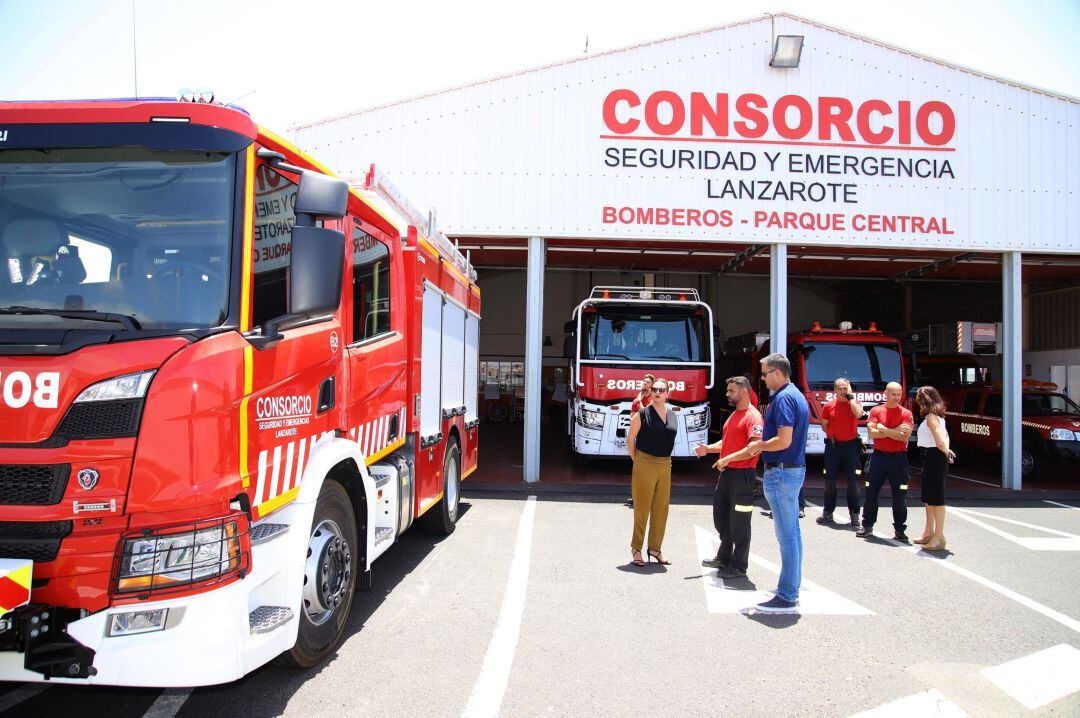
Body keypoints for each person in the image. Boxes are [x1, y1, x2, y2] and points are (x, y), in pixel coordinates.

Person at [746, 353, 808, 613]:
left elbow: (783, 440)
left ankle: (787, 594)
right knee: (792, 534)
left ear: (778, 373)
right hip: (790, 470)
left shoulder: (783, 399)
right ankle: (790, 585)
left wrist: (758, 446)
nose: (762, 378)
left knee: (787, 536)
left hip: (782, 472)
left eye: (764, 373)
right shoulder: (795, 395)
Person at [695, 376, 764, 578]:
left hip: (743, 476)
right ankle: (724, 558)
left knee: (740, 522)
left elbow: (754, 449)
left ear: (744, 391)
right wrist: (707, 449)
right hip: (727, 475)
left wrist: (728, 459)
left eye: (731, 391)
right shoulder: (734, 415)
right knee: (721, 517)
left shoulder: (753, 417)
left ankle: (739, 566)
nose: (727, 394)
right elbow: (727, 443)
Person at [626, 378, 677, 566]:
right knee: (641, 509)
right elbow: (630, 440)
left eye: (661, 389)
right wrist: (637, 460)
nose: (657, 392)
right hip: (644, 462)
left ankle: (655, 548)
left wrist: (666, 463)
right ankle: (636, 549)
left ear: (667, 393)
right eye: (654, 389)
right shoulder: (642, 414)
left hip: (665, 464)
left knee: (661, 509)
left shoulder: (672, 415)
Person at [857, 382, 915, 542]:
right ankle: (867, 525)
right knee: (871, 493)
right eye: (893, 394)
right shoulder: (876, 411)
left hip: (898, 459)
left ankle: (899, 529)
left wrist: (884, 429)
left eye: (899, 394)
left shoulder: (906, 413)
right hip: (879, 458)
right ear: (885, 394)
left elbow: (904, 436)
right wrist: (894, 431)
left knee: (900, 496)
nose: (896, 397)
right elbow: (872, 433)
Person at [817, 377, 864, 528]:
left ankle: (855, 515)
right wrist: (833, 434)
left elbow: (858, 415)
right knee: (830, 481)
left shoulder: (854, 404)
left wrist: (851, 399)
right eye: (840, 389)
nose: (843, 392)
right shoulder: (829, 406)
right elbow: (824, 425)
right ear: (835, 391)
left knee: (853, 482)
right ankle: (828, 512)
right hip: (833, 447)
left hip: (851, 447)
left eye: (846, 388)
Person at [914, 386, 955, 551]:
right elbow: (946, 437)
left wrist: (946, 452)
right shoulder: (938, 417)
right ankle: (929, 531)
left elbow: (939, 439)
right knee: (929, 498)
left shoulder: (931, 418)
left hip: (935, 456)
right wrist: (946, 450)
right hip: (932, 457)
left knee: (937, 499)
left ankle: (939, 536)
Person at [625, 374, 656, 508]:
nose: (644, 383)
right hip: (640, 437)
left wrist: (640, 401)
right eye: (643, 381)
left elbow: (648, 415)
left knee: (650, 468)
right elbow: (632, 418)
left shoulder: (654, 400)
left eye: (647, 382)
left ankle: (651, 496)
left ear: (651, 385)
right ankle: (637, 496)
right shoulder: (636, 401)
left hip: (652, 437)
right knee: (638, 468)